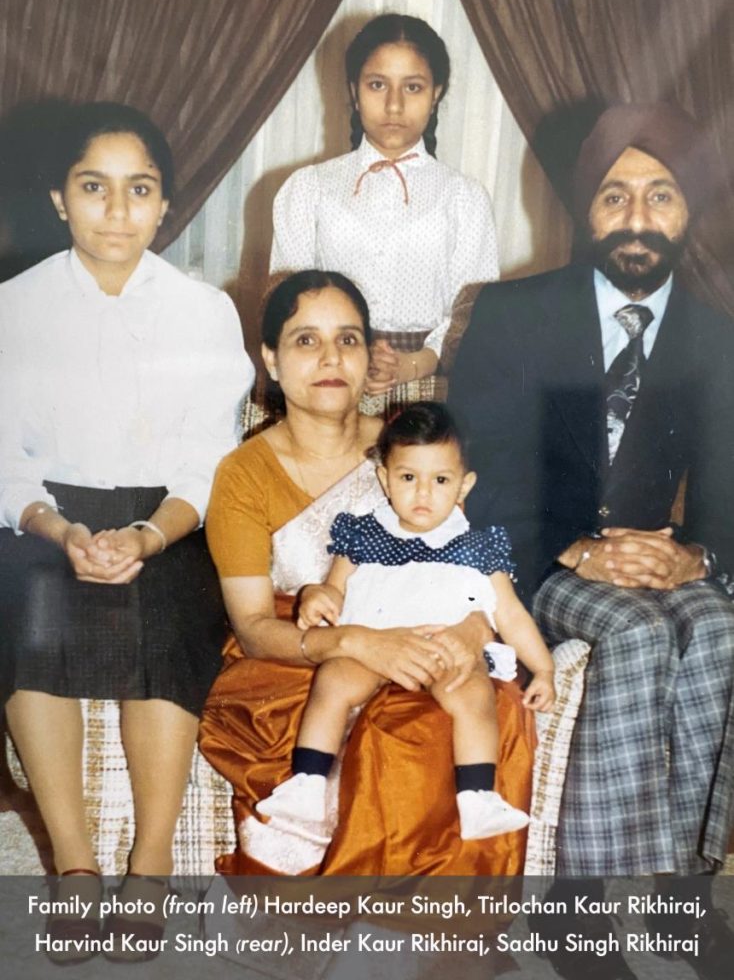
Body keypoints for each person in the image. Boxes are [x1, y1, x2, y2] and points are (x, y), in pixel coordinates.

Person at [449, 102, 734, 976]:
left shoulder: (718, 336)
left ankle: (682, 893)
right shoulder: (516, 313)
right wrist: (575, 549)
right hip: (540, 554)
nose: (638, 219)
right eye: (615, 198)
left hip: (656, 551)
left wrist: (699, 556)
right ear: (585, 209)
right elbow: (481, 468)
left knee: (721, 628)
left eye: (661, 197)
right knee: (641, 636)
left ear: (689, 213)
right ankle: (575, 908)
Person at [0, 102, 253, 954]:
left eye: (138, 190)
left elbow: (207, 466)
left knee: (177, 612)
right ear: (59, 201)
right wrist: (59, 529)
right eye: (94, 188)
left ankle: (147, 869)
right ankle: (74, 868)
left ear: (165, 205)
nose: (117, 211)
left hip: (166, 520)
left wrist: (146, 537)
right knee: (28, 615)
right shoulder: (13, 307)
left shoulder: (204, 311)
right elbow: (4, 463)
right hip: (44, 521)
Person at [200, 272, 535, 876]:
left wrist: (472, 632)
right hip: (299, 658)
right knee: (389, 732)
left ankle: (428, 943)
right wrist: (357, 642)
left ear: (370, 356)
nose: (331, 358)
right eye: (306, 341)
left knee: (480, 711)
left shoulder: (420, 458)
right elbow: (252, 628)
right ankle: (343, 924)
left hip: (429, 639)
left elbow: (473, 571)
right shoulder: (243, 475)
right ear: (271, 359)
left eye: (349, 340)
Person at [255, 402, 555, 857]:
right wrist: (317, 597)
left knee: (471, 694)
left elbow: (510, 615)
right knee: (333, 679)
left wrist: (544, 669)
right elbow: (333, 591)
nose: (423, 494)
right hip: (370, 646)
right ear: (384, 478)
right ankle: (308, 782)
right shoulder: (362, 534)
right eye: (408, 477)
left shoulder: (478, 544)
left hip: (445, 650)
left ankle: (477, 794)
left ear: (464, 485)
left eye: (440, 480)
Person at [270, 13, 498, 403]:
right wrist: (348, 354)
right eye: (378, 85)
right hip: (328, 382)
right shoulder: (308, 189)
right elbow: (285, 305)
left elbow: (471, 314)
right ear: (354, 92)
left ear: (436, 93)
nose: (394, 105)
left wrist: (413, 363)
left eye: (413, 87)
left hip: (429, 390)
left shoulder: (464, 198)